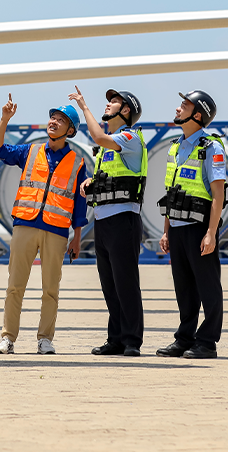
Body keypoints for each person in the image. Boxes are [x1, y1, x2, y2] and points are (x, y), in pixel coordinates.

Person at [0, 94, 88, 355]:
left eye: (61, 120)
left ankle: (45, 339)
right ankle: (8, 338)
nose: (54, 122)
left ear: (71, 130)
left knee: (50, 290)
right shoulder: (30, 151)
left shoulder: (78, 163)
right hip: (25, 225)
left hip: (57, 231)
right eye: (52, 117)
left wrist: (77, 238)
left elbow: (79, 205)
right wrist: (4, 119)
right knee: (15, 285)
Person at [68, 86, 146, 357]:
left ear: (126, 110)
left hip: (123, 220)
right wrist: (92, 182)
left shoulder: (129, 137)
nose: (109, 104)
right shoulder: (109, 147)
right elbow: (112, 175)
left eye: (114, 101)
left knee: (126, 282)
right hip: (103, 220)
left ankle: (132, 340)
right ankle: (115, 338)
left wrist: (84, 107)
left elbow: (98, 136)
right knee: (109, 284)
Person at [156, 90, 226, 360]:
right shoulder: (175, 146)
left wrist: (211, 233)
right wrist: (166, 231)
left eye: (184, 105)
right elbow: (171, 192)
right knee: (183, 287)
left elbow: (218, 195)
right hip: (177, 227)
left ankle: (207, 342)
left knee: (208, 286)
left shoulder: (211, 147)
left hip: (199, 228)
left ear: (198, 115)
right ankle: (184, 338)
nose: (178, 108)